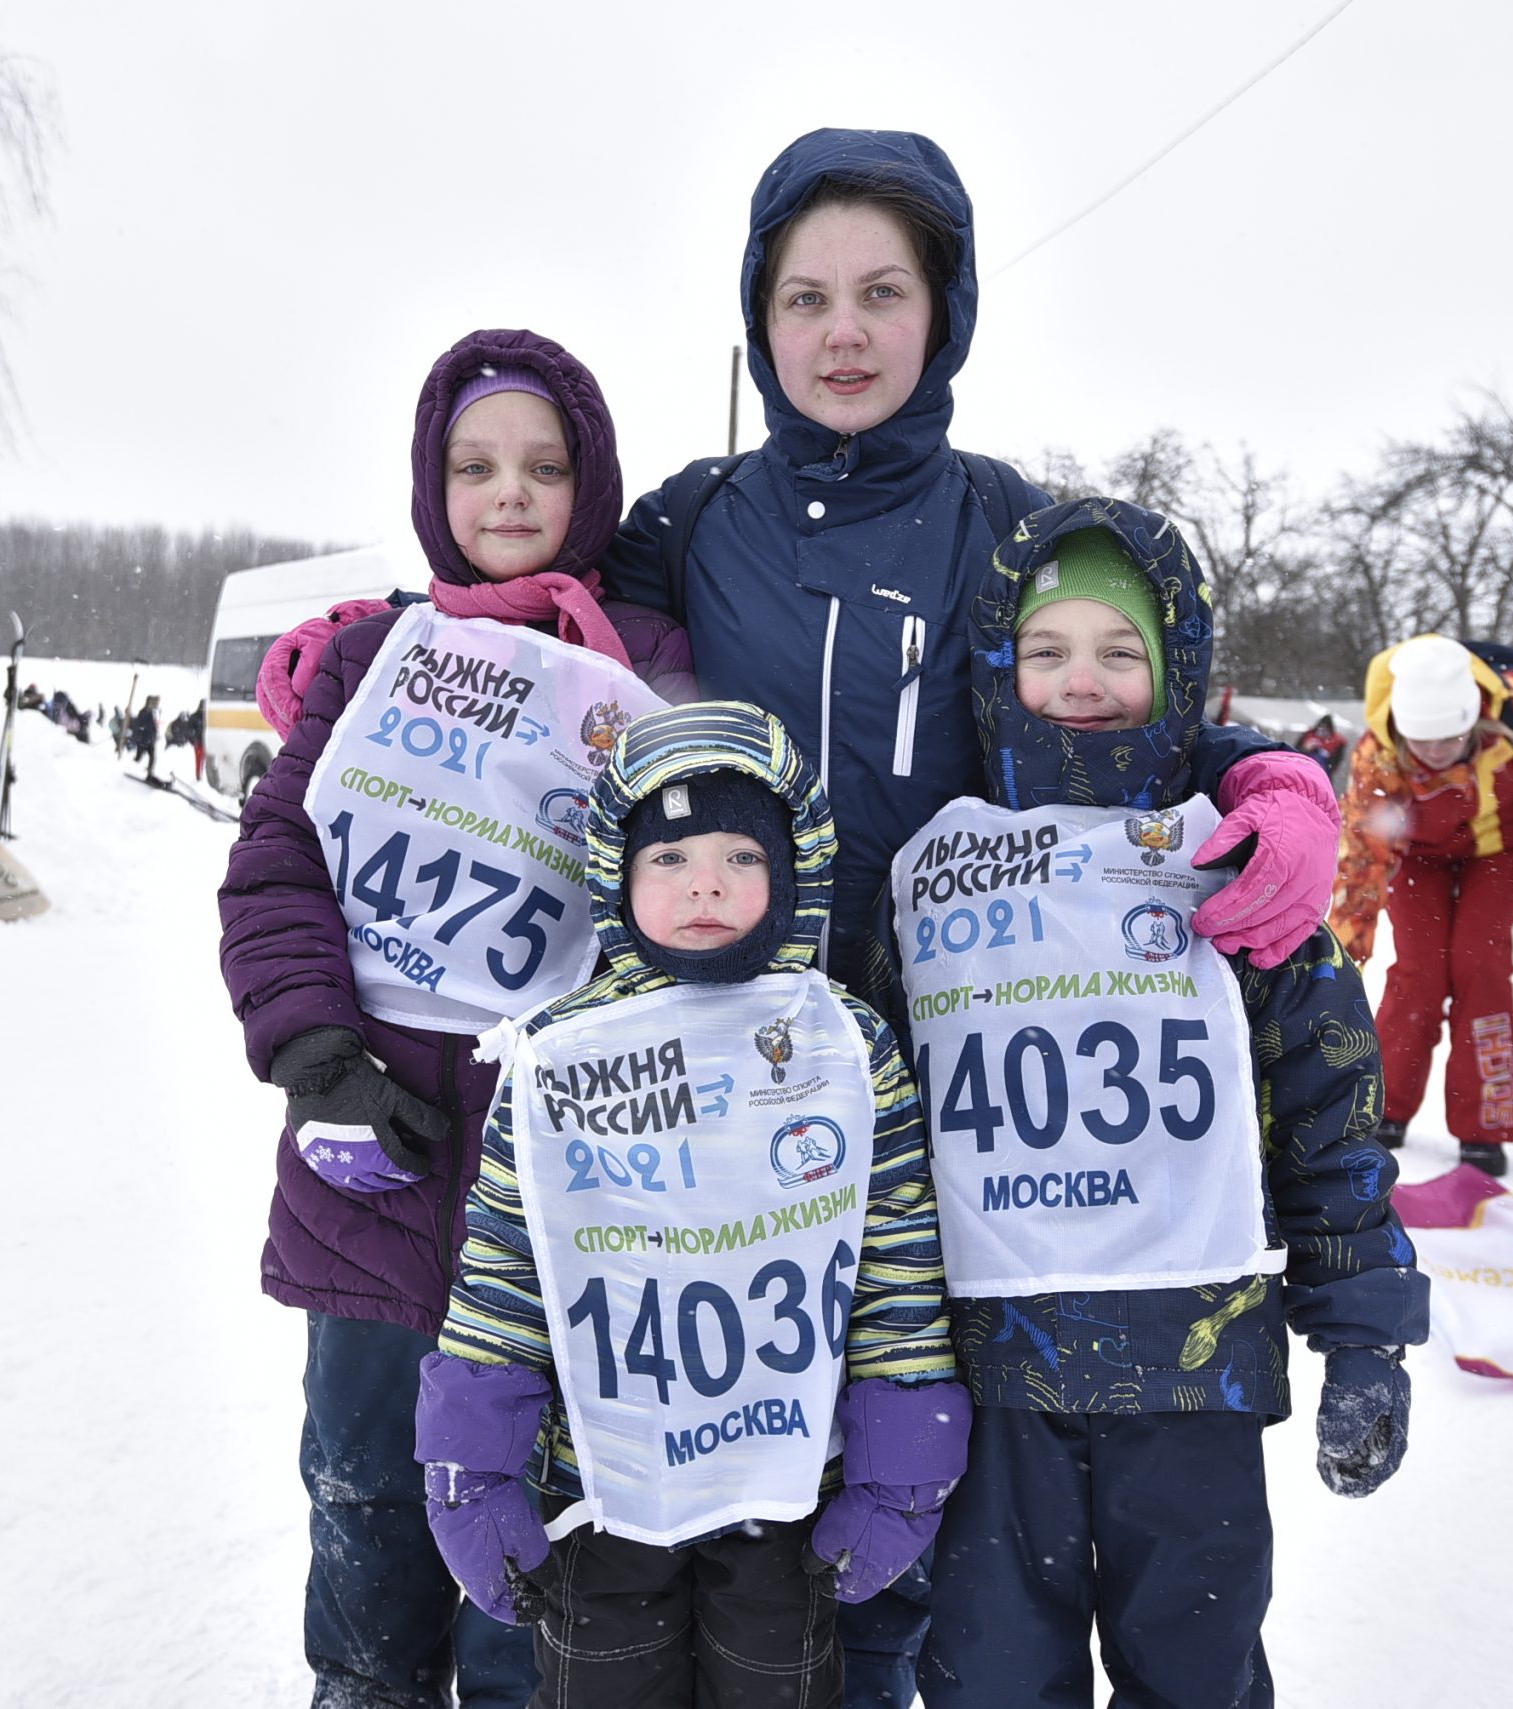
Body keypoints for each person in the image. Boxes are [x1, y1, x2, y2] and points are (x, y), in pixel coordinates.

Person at [601, 141, 1340, 1699]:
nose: (844, 331)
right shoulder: (692, 517)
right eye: (807, 298)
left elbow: (1122, 697)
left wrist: (1272, 775)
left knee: (914, 1502)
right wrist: (348, 662)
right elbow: (530, 621)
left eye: (884, 292)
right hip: (739, 1070)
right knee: (750, 1501)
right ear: (760, 319)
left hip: (955, 1099)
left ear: (946, 315)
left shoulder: (1005, 523)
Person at [217, 327, 695, 1708]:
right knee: (364, 1507)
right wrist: (316, 1058)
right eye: (476, 464)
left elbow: (713, 882)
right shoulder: (370, 658)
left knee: (528, 1548)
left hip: (564, 1209)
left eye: (544, 466)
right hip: (369, 1176)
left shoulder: (652, 666)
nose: (509, 492)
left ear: (588, 484)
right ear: (436, 484)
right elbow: (276, 867)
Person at [883, 504, 1426, 1709]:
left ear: (1176, 669)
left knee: (1196, 1672)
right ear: (997, 666)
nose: (1081, 680)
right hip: (988, 1377)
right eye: (1048, 649)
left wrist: (1363, 1335)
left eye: (1119, 652)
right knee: (988, 1679)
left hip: (1190, 1369)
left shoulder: (1239, 855)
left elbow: (1331, 1112)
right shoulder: (927, 866)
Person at [419, 700, 962, 1709]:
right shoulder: (557, 1052)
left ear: (791, 873)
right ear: (617, 877)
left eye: (738, 856)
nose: (704, 881)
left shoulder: (847, 1044)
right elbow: (504, 1264)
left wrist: (901, 1462)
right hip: (602, 1483)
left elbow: (895, 1262)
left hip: (786, 1486)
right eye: (667, 856)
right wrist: (473, 1463)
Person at [1329, 633, 1513, 1176]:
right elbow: (1362, 860)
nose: (1434, 753)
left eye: (1448, 739)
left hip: (1499, 851)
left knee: (1481, 967)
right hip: (1419, 858)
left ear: (1476, 719)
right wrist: (1341, 953)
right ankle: (1385, 1108)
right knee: (1419, 976)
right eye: (1421, 742)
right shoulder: (1377, 756)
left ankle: (1484, 1124)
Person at [1297, 710, 1348, 779]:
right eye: (1321, 729)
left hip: (1322, 774)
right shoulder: (1308, 736)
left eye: (1325, 729)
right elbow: (1296, 752)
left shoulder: (1337, 741)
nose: (1322, 732)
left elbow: (1336, 762)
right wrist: (1305, 749)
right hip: (1305, 771)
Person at [129, 694, 160, 778]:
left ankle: (150, 774)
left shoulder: (154, 713)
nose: (153, 704)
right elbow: (139, 724)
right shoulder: (143, 712)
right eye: (152, 702)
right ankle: (129, 769)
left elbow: (154, 726)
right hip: (143, 740)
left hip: (150, 740)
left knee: (153, 758)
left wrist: (156, 734)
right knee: (138, 758)